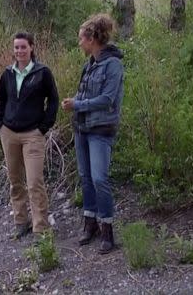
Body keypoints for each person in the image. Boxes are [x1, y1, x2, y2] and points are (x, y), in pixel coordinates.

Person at [61, 14, 125, 254]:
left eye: (81, 39)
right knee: (85, 178)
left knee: (100, 179)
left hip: (101, 131)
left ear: (92, 39)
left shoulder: (113, 65)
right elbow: (88, 96)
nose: (79, 43)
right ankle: (90, 225)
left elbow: (107, 100)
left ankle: (107, 229)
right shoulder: (89, 65)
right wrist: (74, 101)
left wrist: (77, 105)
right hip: (82, 129)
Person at [0, 32, 59, 239]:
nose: (19, 51)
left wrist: (43, 127)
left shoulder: (43, 73)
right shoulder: (8, 73)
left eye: (23, 47)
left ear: (31, 47)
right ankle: (21, 222)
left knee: (34, 182)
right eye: (16, 48)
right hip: (9, 133)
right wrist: (0, 125)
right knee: (15, 181)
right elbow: (0, 100)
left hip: (33, 135)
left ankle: (41, 226)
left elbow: (54, 101)